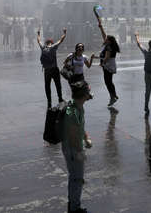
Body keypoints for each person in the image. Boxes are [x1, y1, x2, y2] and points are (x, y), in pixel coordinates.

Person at [60, 81, 93, 213]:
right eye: (87, 93)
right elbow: (73, 134)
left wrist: (86, 138)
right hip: (72, 149)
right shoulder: (71, 112)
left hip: (74, 146)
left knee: (74, 177)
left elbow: (81, 127)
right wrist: (79, 152)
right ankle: (74, 208)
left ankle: (73, 204)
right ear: (82, 95)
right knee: (77, 179)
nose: (89, 96)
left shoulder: (78, 106)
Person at [37, 28, 66, 108]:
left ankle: (49, 101)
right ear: (51, 43)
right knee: (58, 85)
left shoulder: (43, 47)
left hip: (47, 70)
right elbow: (61, 40)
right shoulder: (53, 47)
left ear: (46, 43)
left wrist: (38, 34)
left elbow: (38, 41)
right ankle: (60, 98)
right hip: (54, 69)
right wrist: (64, 33)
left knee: (47, 86)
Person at [96, 13, 120, 107]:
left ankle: (112, 96)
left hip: (108, 66)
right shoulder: (109, 44)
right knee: (109, 81)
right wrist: (100, 27)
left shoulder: (109, 47)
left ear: (109, 41)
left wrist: (102, 63)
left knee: (107, 81)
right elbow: (104, 34)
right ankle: (114, 94)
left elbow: (106, 58)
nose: (104, 39)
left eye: (106, 39)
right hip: (109, 65)